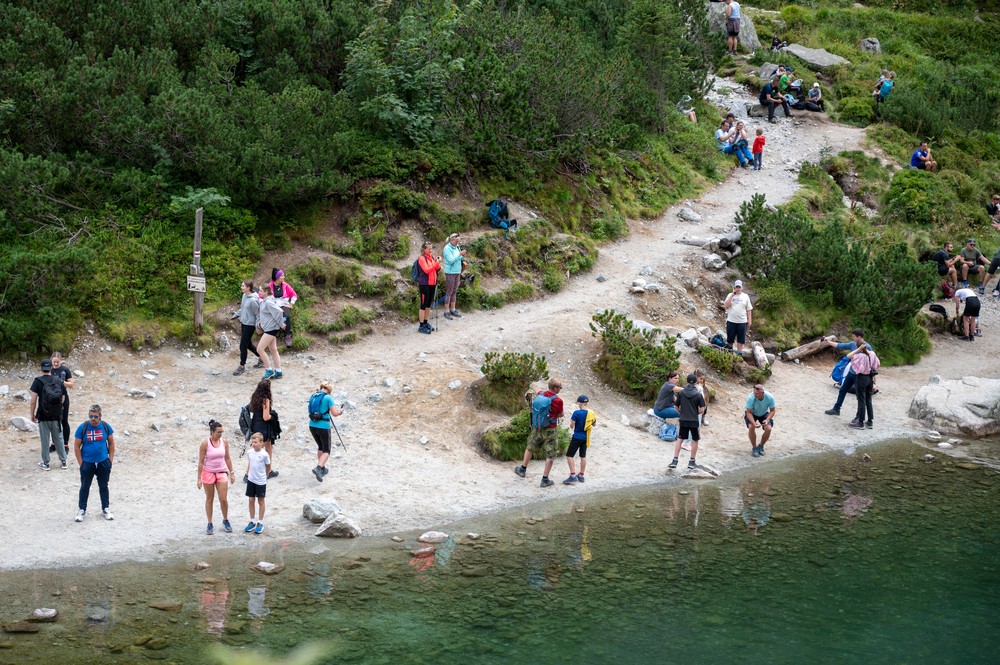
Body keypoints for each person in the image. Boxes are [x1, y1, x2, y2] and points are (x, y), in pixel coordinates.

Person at [514, 378, 564, 487]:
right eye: (560, 387)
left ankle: (522, 469)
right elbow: (560, 414)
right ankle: (544, 480)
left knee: (530, 447)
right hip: (551, 430)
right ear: (555, 388)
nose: (560, 389)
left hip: (538, 427)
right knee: (551, 453)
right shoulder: (558, 401)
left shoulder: (540, 393)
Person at [73, 404, 116, 521]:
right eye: (91, 416)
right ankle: (82, 510)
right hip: (87, 462)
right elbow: (76, 446)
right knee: (85, 486)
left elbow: (111, 443)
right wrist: (81, 463)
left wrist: (110, 461)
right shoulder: (83, 427)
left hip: (103, 461)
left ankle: (106, 508)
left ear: (100, 416)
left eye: (95, 416)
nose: (93, 419)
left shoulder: (106, 427)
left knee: (103, 486)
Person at [823, 329, 874, 417]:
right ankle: (836, 409)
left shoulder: (867, 347)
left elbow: (871, 362)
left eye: (853, 336)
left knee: (860, 396)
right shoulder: (852, 344)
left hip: (860, 375)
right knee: (843, 389)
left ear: (859, 337)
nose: (852, 337)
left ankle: (858, 416)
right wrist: (828, 342)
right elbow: (840, 345)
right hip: (851, 373)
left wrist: (872, 377)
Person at [197, 420, 235, 535]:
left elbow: (227, 458)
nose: (220, 434)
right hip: (208, 472)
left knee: (223, 498)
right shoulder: (205, 444)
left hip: (221, 471)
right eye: (218, 432)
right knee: (210, 498)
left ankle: (225, 520)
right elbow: (201, 462)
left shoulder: (224, 442)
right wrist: (199, 478)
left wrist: (232, 472)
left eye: (221, 432)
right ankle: (209, 523)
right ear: (212, 432)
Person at [30, 358, 67, 470]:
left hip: (43, 415)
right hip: (56, 416)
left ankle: (45, 463)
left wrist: (32, 414)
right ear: (51, 368)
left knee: (45, 440)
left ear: (41, 369)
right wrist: (57, 408)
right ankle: (64, 461)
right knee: (58, 438)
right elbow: (63, 397)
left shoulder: (37, 381)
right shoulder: (59, 381)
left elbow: (33, 401)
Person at [308, 381, 343, 482]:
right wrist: (341, 412)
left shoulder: (314, 395)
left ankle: (322, 468)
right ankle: (318, 468)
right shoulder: (328, 397)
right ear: (330, 390)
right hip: (323, 426)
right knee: (327, 450)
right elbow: (335, 413)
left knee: (320, 446)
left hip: (312, 425)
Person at [669, 375, 705, 470]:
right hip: (694, 420)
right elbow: (702, 409)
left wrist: (681, 413)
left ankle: (675, 461)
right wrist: (696, 413)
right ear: (696, 382)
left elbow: (676, 406)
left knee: (680, 439)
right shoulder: (698, 394)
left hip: (683, 420)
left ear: (687, 381)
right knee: (695, 440)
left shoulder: (681, 393)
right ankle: (692, 462)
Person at [249, 379, 279, 479]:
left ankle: (248, 473)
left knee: (255, 449)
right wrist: (273, 416)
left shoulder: (254, 397)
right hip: (264, 427)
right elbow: (266, 417)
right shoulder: (266, 400)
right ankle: (268, 471)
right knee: (268, 449)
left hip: (255, 425)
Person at [846, 341, 879, 429]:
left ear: (859, 347)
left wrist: (858, 350)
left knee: (861, 400)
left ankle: (860, 422)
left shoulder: (860, 356)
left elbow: (849, 356)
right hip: (870, 379)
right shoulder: (872, 354)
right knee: (869, 400)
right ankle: (870, 422)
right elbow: (876, 364)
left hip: (862, 378)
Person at [563, 395, 596, 485]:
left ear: (580, 403)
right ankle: (581, 475)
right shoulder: (591, 413)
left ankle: (573, 475)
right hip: (586, 438)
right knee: (583, 456)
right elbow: (594, 424)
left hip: (577, 437)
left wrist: (572, 423)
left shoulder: (576, 413)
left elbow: (572, 426)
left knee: (569, 456)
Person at [233, 279, 263, 375]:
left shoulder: (253, 300)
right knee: (248, 344)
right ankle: (262, 357)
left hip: (250, 325)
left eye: (243, 286)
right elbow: (242, 308)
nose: (241, 287)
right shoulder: (244, 296)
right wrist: (236, 314)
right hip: (244, 322)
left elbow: (258, 314)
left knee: (243, 345)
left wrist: (258, 327)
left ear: (248, 288)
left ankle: (242, 366)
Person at [243, 432, 270, 534]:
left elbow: (268, 466)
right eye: (253, 442)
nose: (254, 444)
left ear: (261, 443)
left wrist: (265, 476)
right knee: (251, 500)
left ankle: (260, 522)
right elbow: (250, 463)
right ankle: (252, 521)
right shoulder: (249, 452)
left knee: (261, 501)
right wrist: (247, 473)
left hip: (261, 481)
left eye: (256, 442)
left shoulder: (264, 454)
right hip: (251, 480)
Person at [256, 284, 284, 380]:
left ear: (266, 292)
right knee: (273, 350)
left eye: (261, 291)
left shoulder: (268, 302)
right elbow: (268, 314)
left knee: (260, 349)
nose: (259, 292)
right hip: (270, 328)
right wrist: (261, 322)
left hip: (271, 329)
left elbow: (279, 311)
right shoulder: (266, 301)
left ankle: (269, 370)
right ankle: (278, 372)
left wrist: (281, 324)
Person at [50, 351, 74, 455]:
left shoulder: (65, 370)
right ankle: (54, 443)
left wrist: (61, 382)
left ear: (60, 360)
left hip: (63, 397)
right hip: (52, 398)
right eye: (54, 362)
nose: (56, 364)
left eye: (57, 362)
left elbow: (71, 384)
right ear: (51, 361)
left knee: (64, 421)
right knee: (54, 422)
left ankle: (65, 444)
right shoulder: (49, 370)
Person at [416, 241, 442, 334]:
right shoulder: (421, 258)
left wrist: (437, 262)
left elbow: (437, 269)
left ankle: (425, 322)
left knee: (428, 304)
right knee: (423, 305)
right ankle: (421, 325)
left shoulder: (431, 257)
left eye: (431, 248)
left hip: (432, 284)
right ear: (424, 249)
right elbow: (426, 270)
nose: (431, 250)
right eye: (428, 249)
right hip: (424, 284)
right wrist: (436, 263)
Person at [745, 384, 777, 457]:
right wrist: (754, 423)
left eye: (757, 393)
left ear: (762, 393)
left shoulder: (770, 397)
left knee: (768, 428)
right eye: (754, 392)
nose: (755, 395)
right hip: (752, 413)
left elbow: (772, 410)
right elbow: (748, 412)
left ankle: (761, 446)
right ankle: (754, 448)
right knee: (751, 427)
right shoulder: (751, 398)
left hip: (763, 413)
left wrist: (767, 419)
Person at [269, 269, 298, 348]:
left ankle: (287, 336)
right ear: (277, 277)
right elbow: (261, 296)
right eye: (282, 276)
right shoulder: (269, 286)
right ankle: (273, 334)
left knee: (287, 316)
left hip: (283, 304)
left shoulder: (285, 285)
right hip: (273, 305)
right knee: (272, 317)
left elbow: (294, 294)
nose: (284, 277)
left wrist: (291, 303)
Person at [442, 233, 467, 320]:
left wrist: (462, 256)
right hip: (450, 272)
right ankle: (446, 311)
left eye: (458, 242)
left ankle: (453, 309)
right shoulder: (447, 248)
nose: (457, 243)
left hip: (457, 271)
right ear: (452, 240)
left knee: (455, 291)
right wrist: (459, 254)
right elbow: (450, 260)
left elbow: (458, 258)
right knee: (449, 291)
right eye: (456, 241)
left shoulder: (457, 247)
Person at [724, 279, 753, 352]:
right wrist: (732, 295)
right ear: (734, 287)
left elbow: (749, 309)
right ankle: (729, 353)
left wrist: (749, 320)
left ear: (742, 288)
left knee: (740, 340)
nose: (738, 288)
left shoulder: (745, 296)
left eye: (739, 287)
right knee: (730, 339)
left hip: (742, 322)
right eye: (736, 287)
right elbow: (726, 305)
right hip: (731, 321)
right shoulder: (730, 295)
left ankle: (739, 355)